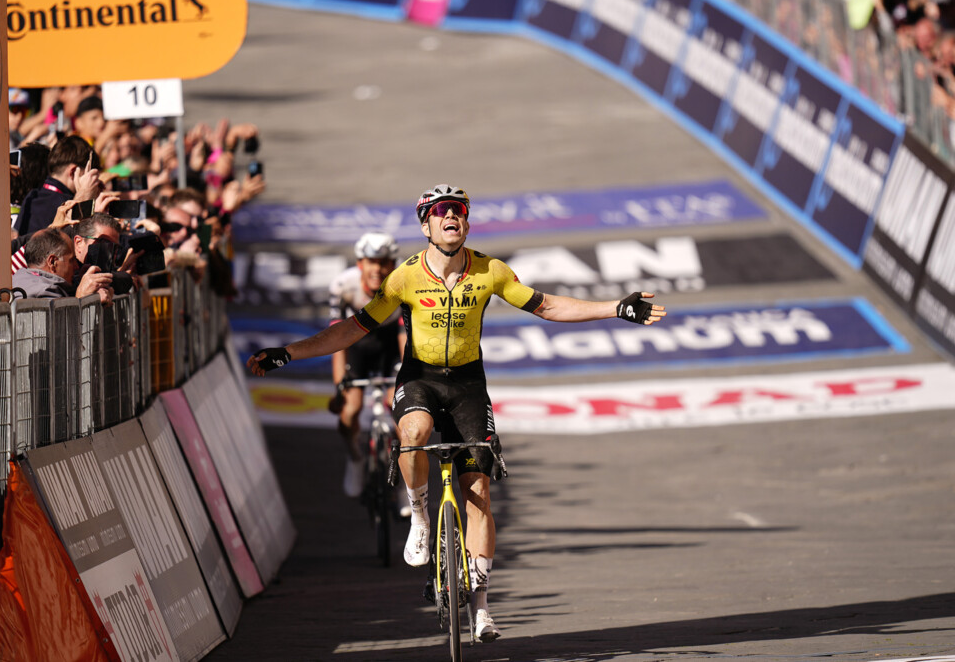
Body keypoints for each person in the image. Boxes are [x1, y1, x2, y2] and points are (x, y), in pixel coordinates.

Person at [247, 184, 667, 642]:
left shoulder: (490, 270)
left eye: (460, 210)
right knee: (413, 430)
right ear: (426, 225)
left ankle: (481, 607)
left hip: (468, 385)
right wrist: (287, 353)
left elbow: (546, 306)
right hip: (420, 378)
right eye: (442, 210)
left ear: (466, 222)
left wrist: (616, 308)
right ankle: (420, 518)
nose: (452, 216)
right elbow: (351, 329)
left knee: (478, 492)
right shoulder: (404, 277)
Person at [326, 232, 406, 498]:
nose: (377, 269)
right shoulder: (343, 286)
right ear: (360, 263)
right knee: (350, 411)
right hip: (356, 344)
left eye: (384, 262)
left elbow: (405, 337)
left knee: (402, 411)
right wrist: (339, 386)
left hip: (390, 346)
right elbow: (337, 339)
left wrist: (409, 379)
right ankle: (355, 459)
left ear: (393, 264)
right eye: (371, 262)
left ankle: (406, 478)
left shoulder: (404, 284)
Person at [11, 227, 112, 302]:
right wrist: (82, 298)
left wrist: (79, 284)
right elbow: (62, 323)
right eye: (71, 260)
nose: (76, 266)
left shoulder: (22, 279)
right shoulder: (43, 291)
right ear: (52, 262)